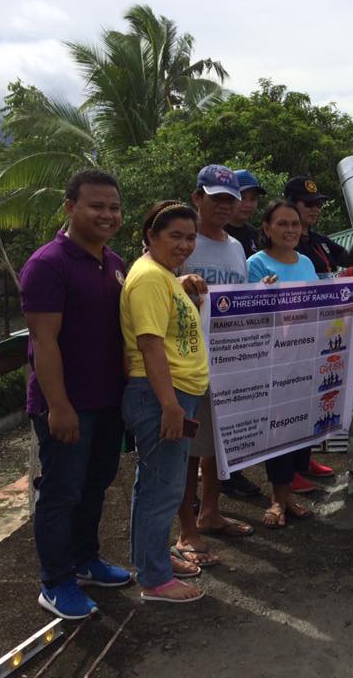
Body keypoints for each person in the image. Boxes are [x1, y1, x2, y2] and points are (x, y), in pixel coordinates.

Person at [20, 169, 132, 619]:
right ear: (70, 207)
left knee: (95, 486)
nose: (107, 215)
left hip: (109, 401)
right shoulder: (48, 264)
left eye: (114, 207)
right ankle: (56, 582)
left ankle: (85, 561)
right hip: (67, 404)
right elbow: (43, 343)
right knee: (62, 493)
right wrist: (59, 406)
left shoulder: (115, 262)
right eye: (96, 206)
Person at [121, 201, 208, 603]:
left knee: (154, 484)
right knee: (164, 489)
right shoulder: (151, 279)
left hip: (172, 394)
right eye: (175, 235)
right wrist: (170, 405)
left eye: (190, 237)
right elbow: (150, 344)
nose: (184, 244)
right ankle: (155, 580)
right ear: (150, 236)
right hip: (162, 396)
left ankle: (151, 559)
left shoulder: (164, 276)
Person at [174, 165, 255, 570]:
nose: (225, 205)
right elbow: (151, 285)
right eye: (216, 197)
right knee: (187, 450)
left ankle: (210, 511)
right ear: (197, 198)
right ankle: (185, 529)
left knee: (218, 444)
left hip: (229, 360)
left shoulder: (238, 247)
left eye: (231, 198)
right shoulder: (181, 243)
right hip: (186, 363)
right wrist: (180, 283)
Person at [247, 201, 320, 527]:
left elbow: (320, 302)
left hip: (304, 355)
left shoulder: (306, 261)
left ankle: (289, 494)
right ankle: (277, 499)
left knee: (298, 426)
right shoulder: (256, 264)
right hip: (273, 359)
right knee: (277, 429)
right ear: (266, 228)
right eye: (282, 224)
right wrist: (262, 293)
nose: (290, 230)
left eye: (294, 224)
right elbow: (247, 311)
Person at [282, 175, 353, 486]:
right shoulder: (284, 245)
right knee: (289, 403)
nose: (315, 209)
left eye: (318, 204)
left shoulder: (320, 241)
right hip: (291, 336)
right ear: (291, 205)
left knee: (313, 399)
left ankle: (303, 459)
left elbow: (350, 259)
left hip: (323, 332)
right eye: (308, 204)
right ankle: (288, 471)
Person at [219, 169, 267, 499]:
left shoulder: (247, 239)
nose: (247, 204)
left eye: (252, 199)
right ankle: (190, 492)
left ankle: (231, 474)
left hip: (242, 337)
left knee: (234, 412)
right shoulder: (204, 235)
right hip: (200, 341)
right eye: (241, 197)